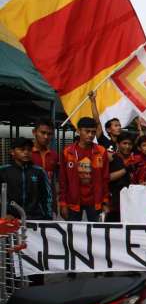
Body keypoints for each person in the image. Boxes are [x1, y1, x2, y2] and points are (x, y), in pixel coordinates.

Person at [0, 137, 53, 286]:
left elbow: (48, 197)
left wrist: (47, 220)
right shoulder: (3, 171)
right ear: (12, 152)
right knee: (11, 262)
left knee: (36, 259)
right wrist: (3, 215)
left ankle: (36, 292)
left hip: (34, 224)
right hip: (10, 225)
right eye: (21, 149)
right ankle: (13, 293)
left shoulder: (39, 172)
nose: (26, 153)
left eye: (29, 150)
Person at [59, 117, 110, 222]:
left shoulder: (101, 151)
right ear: (78, 131)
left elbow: (105, 178)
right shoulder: (67, 152)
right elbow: (63, 180)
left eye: (93, 132)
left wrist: (105, 201)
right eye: (87, 131)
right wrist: (63, 203)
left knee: (96, 233)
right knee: (73, 233)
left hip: (96, 201)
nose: (90, 135)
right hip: (73, 200)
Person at [108, 132, 137, 222]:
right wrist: (126, 170)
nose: (127, 146)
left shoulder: (136, 160)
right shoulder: (111, 158)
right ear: (117, 144)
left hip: (133, 204)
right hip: (113, 204)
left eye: (130, 144)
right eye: (124, 143)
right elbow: (108, 178)